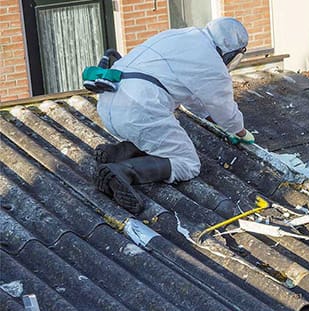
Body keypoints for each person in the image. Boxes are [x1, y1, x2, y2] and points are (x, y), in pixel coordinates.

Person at [93, 17, 253, 214]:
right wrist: (241, 132)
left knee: (159, 136)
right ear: (231, 51)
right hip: (140, 110)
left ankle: (120, 151)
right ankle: (124, 171)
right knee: (188, 163)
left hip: (109, 102)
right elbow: (223, 107)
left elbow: (194, 98)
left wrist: (212, 119)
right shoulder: (211, 63)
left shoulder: (179, 36)